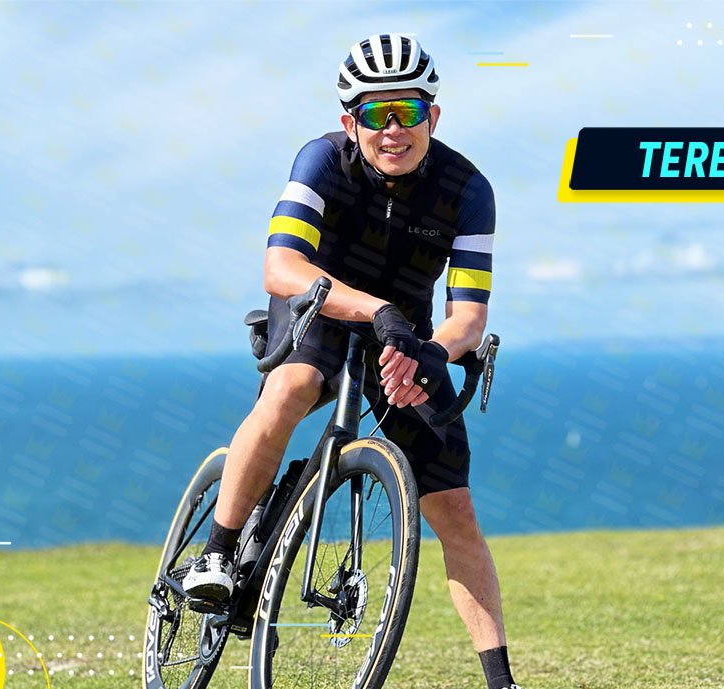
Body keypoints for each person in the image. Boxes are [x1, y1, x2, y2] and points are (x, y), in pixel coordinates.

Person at [183, 34, 521, 689]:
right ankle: (216, 554)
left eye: (407, 111)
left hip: (407, 342)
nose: (392, 130)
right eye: (374, 115)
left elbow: (469, 316)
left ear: (434, 116)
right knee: (295, 384)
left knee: (455, 508)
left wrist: (429, 349)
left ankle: (501, 681)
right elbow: (279, 266)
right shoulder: (320, 160)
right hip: (319, 308)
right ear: (350, 122)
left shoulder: (467, 188)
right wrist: (373, 310)